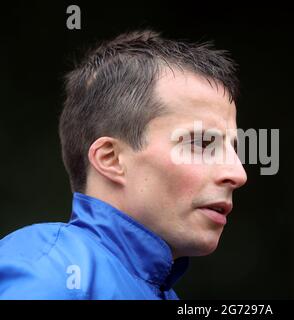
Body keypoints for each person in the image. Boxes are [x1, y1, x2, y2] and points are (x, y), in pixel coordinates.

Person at [0, 29, 247, 299]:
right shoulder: (50, 273)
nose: (238, 173)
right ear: (111, 159)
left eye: (232, 149)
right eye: (202, 144)